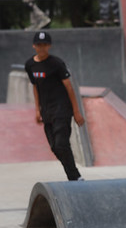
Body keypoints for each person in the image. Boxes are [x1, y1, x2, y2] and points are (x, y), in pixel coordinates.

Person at [25, 31, 85, 181]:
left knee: (61, 144)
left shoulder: (57, 63)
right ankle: (73, 175)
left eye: (45, 45)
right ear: (34, 46)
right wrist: (37, 110)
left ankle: (75, 177)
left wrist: (76, 111)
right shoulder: (30, 65)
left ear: (49, 46)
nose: (42, 48)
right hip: (47, 111)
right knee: (54, 147)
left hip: (62, 109)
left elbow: (69, 87)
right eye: (39, 45)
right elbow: (35, 87)